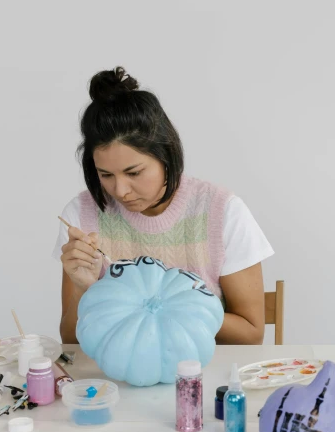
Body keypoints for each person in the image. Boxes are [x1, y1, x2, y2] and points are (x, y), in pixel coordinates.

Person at [52, 66, 273, 345]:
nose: (119, 190)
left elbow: (251, 333)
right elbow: (70, 338)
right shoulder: (82, 216)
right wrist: (85, 290)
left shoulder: (221, 211)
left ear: (165, 154)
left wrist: (165, 306)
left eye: (134, 173)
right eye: (105, 175)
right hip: (115, 379)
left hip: (201, 376)